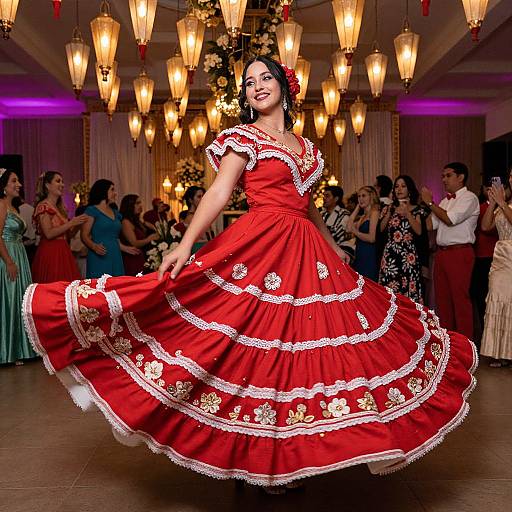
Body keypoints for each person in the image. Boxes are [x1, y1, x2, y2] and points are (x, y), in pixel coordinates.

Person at [23, 57, 476, 490]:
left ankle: (301, 452)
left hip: (308, 252)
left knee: (306, 349)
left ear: (283, 85)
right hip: (260, 246)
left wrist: (333, 245)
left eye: (264, 78)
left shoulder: (309, 151)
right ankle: (264, 458)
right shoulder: (244, 137)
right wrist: (184, 244)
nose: (256, 86)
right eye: (248, 82)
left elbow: (309, 205)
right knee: (257, 344)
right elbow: (219, 193)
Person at [421, 162, 479, 339]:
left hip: (460, 253)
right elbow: (430, 225)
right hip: (442, 254)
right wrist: (413, 211)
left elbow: (450, 220)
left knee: (460, 300)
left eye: (448, 175)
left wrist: (430, 202)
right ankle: (449, 343)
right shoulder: (445, 200)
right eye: (443, 176)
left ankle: (465, 345)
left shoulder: (469, 198)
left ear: (460, 177)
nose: (444, 179)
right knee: (443, 301)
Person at [0, 169, 37, 365]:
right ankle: (8, 351)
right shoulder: (0, 206)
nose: (19, 184)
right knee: (10, 299)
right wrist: (9, 262)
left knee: (20, 299)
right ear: (4, 187)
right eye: (14, 181)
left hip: (19, 254)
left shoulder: (14, 208)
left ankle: (21, 348)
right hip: (8, 256)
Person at [379, 176, 429, 303]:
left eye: (403, 186)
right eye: (396, 186)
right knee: (390, 294)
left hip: (408, 256)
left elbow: (419, 231)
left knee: (409, 294)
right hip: (390, 256)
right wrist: (390, 211)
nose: (399, 189)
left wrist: (407, 212)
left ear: (409, 189)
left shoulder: (417, 209)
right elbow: (380, 229)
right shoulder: (388, 208)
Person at [31, 171, 87, 283]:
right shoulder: (43, 206)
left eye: (62, 181)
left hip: (63, 251)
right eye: (58, 181)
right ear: (47, 185)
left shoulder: (60, 208)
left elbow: (68, 235)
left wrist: (78, 224)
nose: (62, 184)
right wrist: (71, 223)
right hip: (51, 253)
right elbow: (49, 233)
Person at [480, 171, 512, 367]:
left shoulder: (505, 204)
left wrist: (501, 202)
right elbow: (485, 226)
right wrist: (493, 202)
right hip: (500, 258)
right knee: (496, 299)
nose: (510, 179)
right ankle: (499, 351)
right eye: (510, 176)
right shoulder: (503, 203)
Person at [81, 179, 139, 278]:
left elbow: (115, 237)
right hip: (99, 254)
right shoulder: (92, 211)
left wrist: (126, 248)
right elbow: (84, 235)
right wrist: (94, 247)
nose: (115, 193)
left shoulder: (115, 213)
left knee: (116, 285)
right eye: (112, 190)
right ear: (103, 191)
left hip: (115, 254)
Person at [470, 183, 499, 348]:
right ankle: (487, 341)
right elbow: (484, 228)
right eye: (488, 187)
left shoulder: (504, 208)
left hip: (500, 257)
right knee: (481, 299)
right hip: (481, 258)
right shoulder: (480, 208)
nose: (491, 190)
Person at [347, 186, 380, 281]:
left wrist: (356, 232)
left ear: (371, 197)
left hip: (370, 254)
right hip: (360, 253)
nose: (360, 199)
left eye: (364, 196)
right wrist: (357, 208)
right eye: (359, 196)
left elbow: (371, 238)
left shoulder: (374, 212)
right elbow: (348, 228)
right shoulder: (363, 216)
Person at [120, 194, 158, 276]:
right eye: (137, 203)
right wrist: (149, 239)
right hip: (132, 259)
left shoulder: (138, 221)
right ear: (130, 205)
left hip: (140, 257)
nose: (140, 205)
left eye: (140, 203)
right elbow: (134, 243)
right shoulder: (126, 222)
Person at [320, 185, 355, 261]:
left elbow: (340, 235)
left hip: (338, 253)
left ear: (336, 199)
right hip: (322, 252)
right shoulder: (322, 214)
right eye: (324, 196)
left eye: (327, 196)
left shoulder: (344, 214)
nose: (324, 198)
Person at [180, 186, 214, 253]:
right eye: (199, 197)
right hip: (198, 251)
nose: (202, 199)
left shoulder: (200, 215)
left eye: (203, 196)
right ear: (190, 200)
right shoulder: (191, 217)